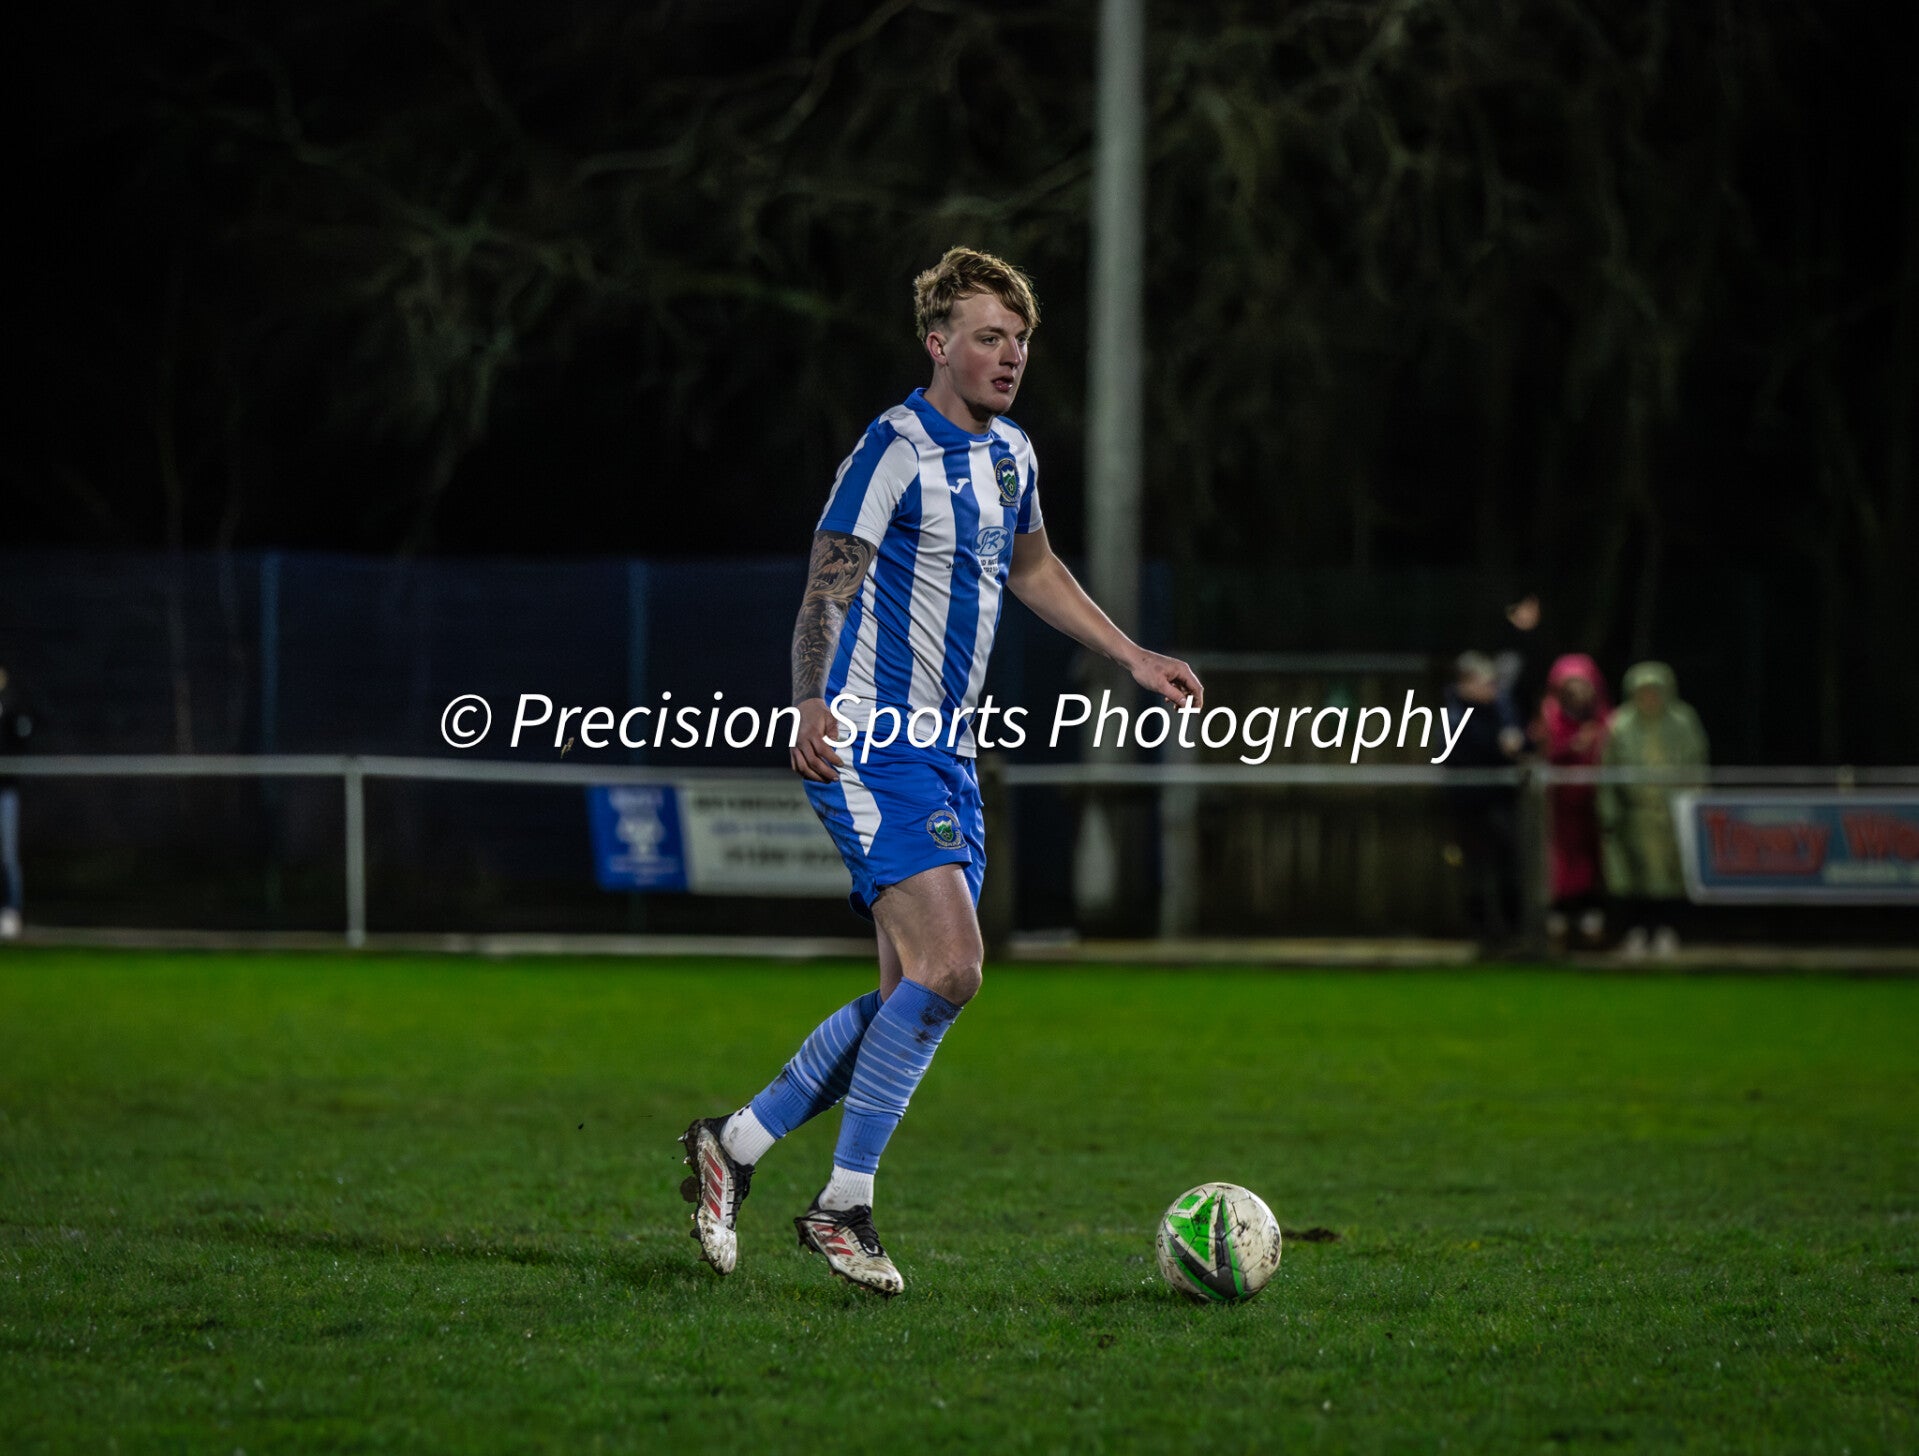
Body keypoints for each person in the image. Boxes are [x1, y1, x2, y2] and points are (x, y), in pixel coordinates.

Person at [678, 247, 1203, 1296]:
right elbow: (827, 587)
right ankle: (842, 1206)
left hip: (947, 750)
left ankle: (733, 1145)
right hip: (869, 740)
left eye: (1019, 339)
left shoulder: (1011, 456)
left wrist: (1131, 655)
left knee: (909, 997)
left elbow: (1034, 569)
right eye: (986, 337)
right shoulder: (890, 450)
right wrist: (809, 699)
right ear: (937, 343)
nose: (1009, 356)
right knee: (954, 966)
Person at [1600, 661, 1709, 958]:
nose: (1649, 698)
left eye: (1654, 691)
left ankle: (1667, 930)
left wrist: (1697, 805)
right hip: (1636, 814)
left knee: (1673, 876)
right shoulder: (1620, 725)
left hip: (1675, 813)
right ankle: (1638, 930)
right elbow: (1607, 772)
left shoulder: (1683, 722)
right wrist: (1609, 811)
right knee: (1635, 874)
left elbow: (1697, 765)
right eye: (1643, 692)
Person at [1442, 652, 1526, 954]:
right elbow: (1454, 753)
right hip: (1470, 806)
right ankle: (1482, 937)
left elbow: (1520, 742)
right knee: (1475, 873)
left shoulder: (1502, 708)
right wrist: (1500, 746)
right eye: (1485, 682)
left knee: (1508, 869)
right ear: (1466, 684)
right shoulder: (1453, 714)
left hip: (1501, 802)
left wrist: (1517, 742)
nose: (1492, 688)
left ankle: (1513, 935)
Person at [1534, 654, 1612, 950]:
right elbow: (1540, 752)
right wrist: (1572, 747)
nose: (1578, 692)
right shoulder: (1549, 716)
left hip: (1597, 803)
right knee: (1559, 865)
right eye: (1571, 686)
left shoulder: (1605, 718)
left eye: (1583, 685)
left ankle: (1592, 921)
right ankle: (1560, 920)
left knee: (1596, 861)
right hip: (1558, 807)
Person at [0, 665, 33, 939]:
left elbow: (23, 738)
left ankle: (11, 910)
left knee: (8, 854)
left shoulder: (12, 704)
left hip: (6, 790)